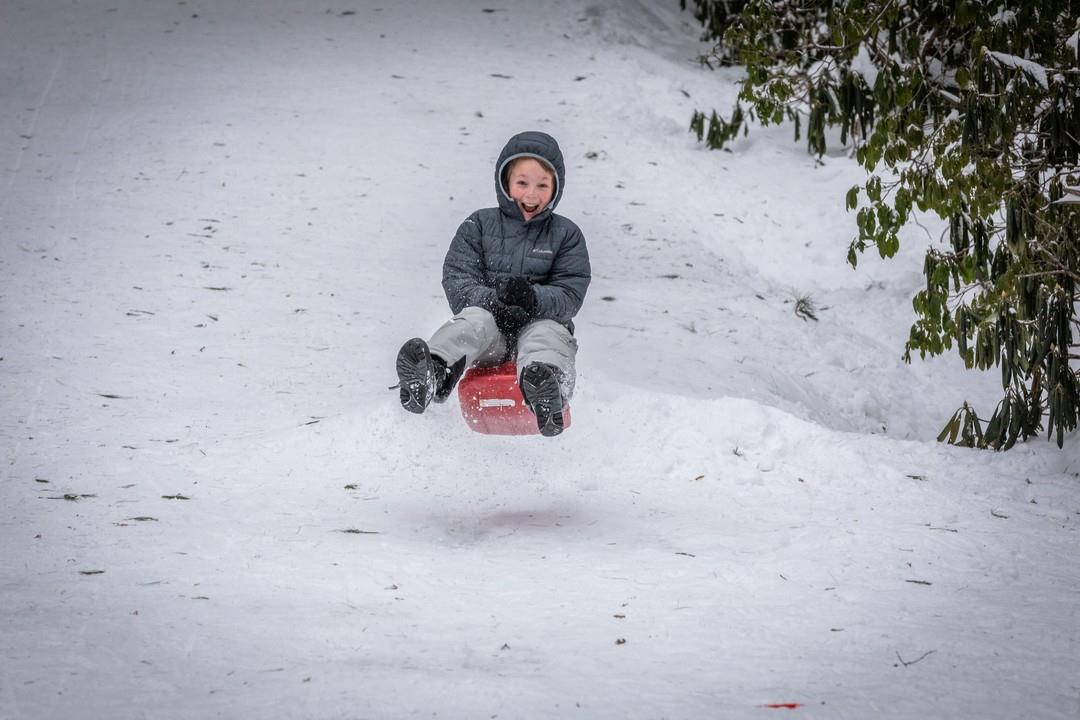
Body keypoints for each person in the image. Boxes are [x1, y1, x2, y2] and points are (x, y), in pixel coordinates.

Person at [395, 130, 591, 436]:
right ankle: (432, 371)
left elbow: (571, 290)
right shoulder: (479, 225)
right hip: (491, 338)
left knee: (549, 334)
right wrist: (493, 303)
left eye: (542, 185)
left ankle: (546, 388)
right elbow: (458, 277)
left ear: (556, 188)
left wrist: (533, 300)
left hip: (537, 325)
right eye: (522, 183)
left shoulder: (566, 235)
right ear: (505, 183)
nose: (531, 194)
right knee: (473, 321)